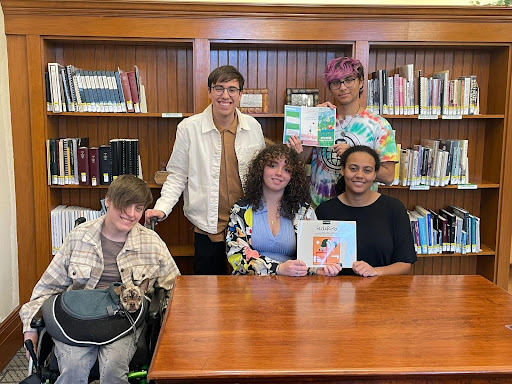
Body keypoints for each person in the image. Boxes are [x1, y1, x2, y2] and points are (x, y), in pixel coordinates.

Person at [20, 175, 180, 383]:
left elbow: (176, 289)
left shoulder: (152, 243)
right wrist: (30, 328)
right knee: (72, 368)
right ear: (108, 202)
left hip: (125, 319)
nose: (131, 215)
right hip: (78, 316)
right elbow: (47, 288)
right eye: (125, 206)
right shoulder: (79, 237)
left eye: (138, 209)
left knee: (113, 368)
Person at [145, 65, 265, 275]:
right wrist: (162, 208)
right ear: (209, 92)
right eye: (218, 88)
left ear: (240, 95)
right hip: (208, 227)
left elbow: (261, 175)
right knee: (208, 296)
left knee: (248, 295)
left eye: (232, 89)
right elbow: (177, 176)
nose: (225, 95)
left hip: (248, 228)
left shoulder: (253, 126)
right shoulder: (189, 128)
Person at [287, 56, 398, 207]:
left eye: (349, 80)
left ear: (360, 82)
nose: (343, 87)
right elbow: (298, 162)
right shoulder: (322, 118)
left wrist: (354, 156)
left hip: (361, 208)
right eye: (336, 82)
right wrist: (309, 120)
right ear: (330, 87)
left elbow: (388, 176)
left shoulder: (378, 125)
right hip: (319, 208)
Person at [226, 144, 341, 277]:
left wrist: (317, 269)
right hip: (248, 289)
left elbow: (312, 256)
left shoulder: (304, 211)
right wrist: (278, 269)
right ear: (260, 169)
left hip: (293, 288)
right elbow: (236, 255)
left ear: (293, 176)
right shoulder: (241, 209)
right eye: (273, 166)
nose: (279, 173)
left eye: (287, 169)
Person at [315, 145, 416, 277]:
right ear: (342, 170)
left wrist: (375, 271)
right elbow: (316, 260)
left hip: (381, 291)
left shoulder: (394, 209)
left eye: (367, 170)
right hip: (335, 292)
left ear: (375, 174)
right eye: (353, 169)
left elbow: (405, 263)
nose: (359, 175)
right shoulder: (324, 211)